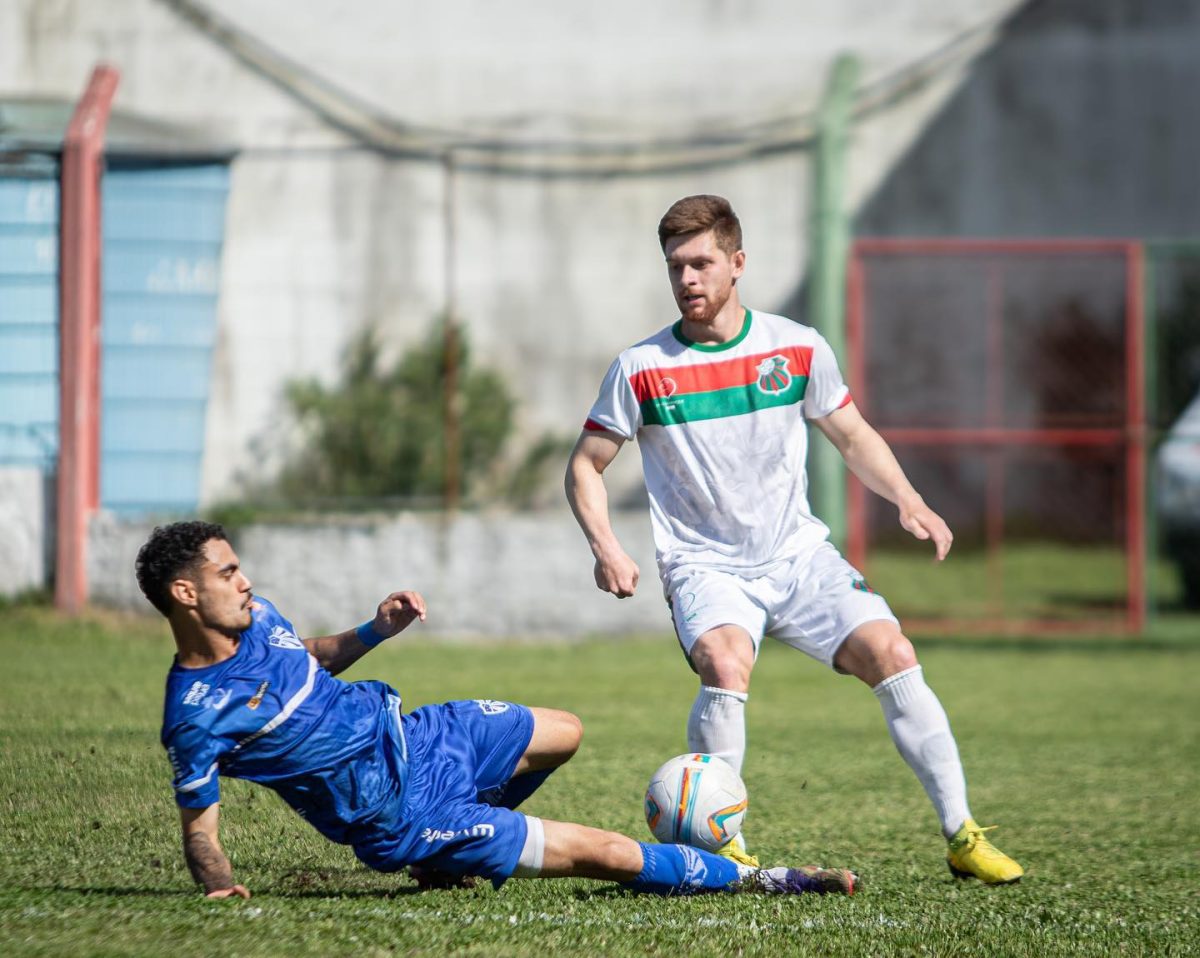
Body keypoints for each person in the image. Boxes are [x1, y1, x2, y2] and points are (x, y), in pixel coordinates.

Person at [564, 195, 1023, 884]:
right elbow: (585, 465)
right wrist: (606, 545)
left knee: (892, 652)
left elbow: (851, 433)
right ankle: (724, 850)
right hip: (705, 564)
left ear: (737, 263)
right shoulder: (641, 369)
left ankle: (961, 834)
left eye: (701, 263)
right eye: (675, 267)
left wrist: (909, 499)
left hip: (798, 555)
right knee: (725, 663)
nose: (687, 279)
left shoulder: (796, 346)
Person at [136, 520, 857, 899]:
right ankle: (768, 878)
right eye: (227, 572)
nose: (247, 579)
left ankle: (455, 851)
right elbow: (199, 830)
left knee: (565, 733)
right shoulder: (195, 714)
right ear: (186, 595)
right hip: (397, 816)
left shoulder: (259, 618)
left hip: (418, 736)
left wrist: (374, 630)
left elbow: (309, 657)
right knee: (601, 854)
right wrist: (221, 884)